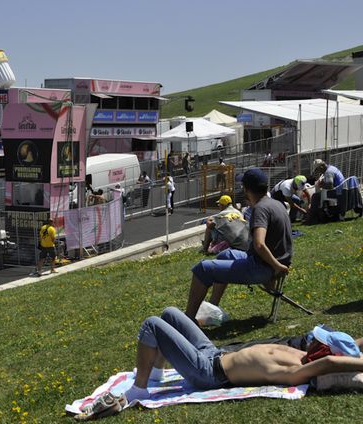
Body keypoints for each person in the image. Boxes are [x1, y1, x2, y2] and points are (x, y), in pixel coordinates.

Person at [122, 307, 363, 405]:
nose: (312, 340)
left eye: (319, 342)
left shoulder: (297, 372)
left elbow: (332, 361)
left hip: (207, 373)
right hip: (215, 353)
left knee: (151, 324)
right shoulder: (302, 354)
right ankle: (156, 373)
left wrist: (356, 362)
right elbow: (351, 346)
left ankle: (140, 388)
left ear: (325, 352)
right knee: (170, 313)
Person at [185, 168, 292, 320]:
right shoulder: (276, 204)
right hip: (273, 263)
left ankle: (188, 320)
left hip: (264, 268)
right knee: (226, 254)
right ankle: (212, 307)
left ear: (246, 189)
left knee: (202, 269)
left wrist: (276, 267)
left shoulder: (260, 209)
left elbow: (259, 245)